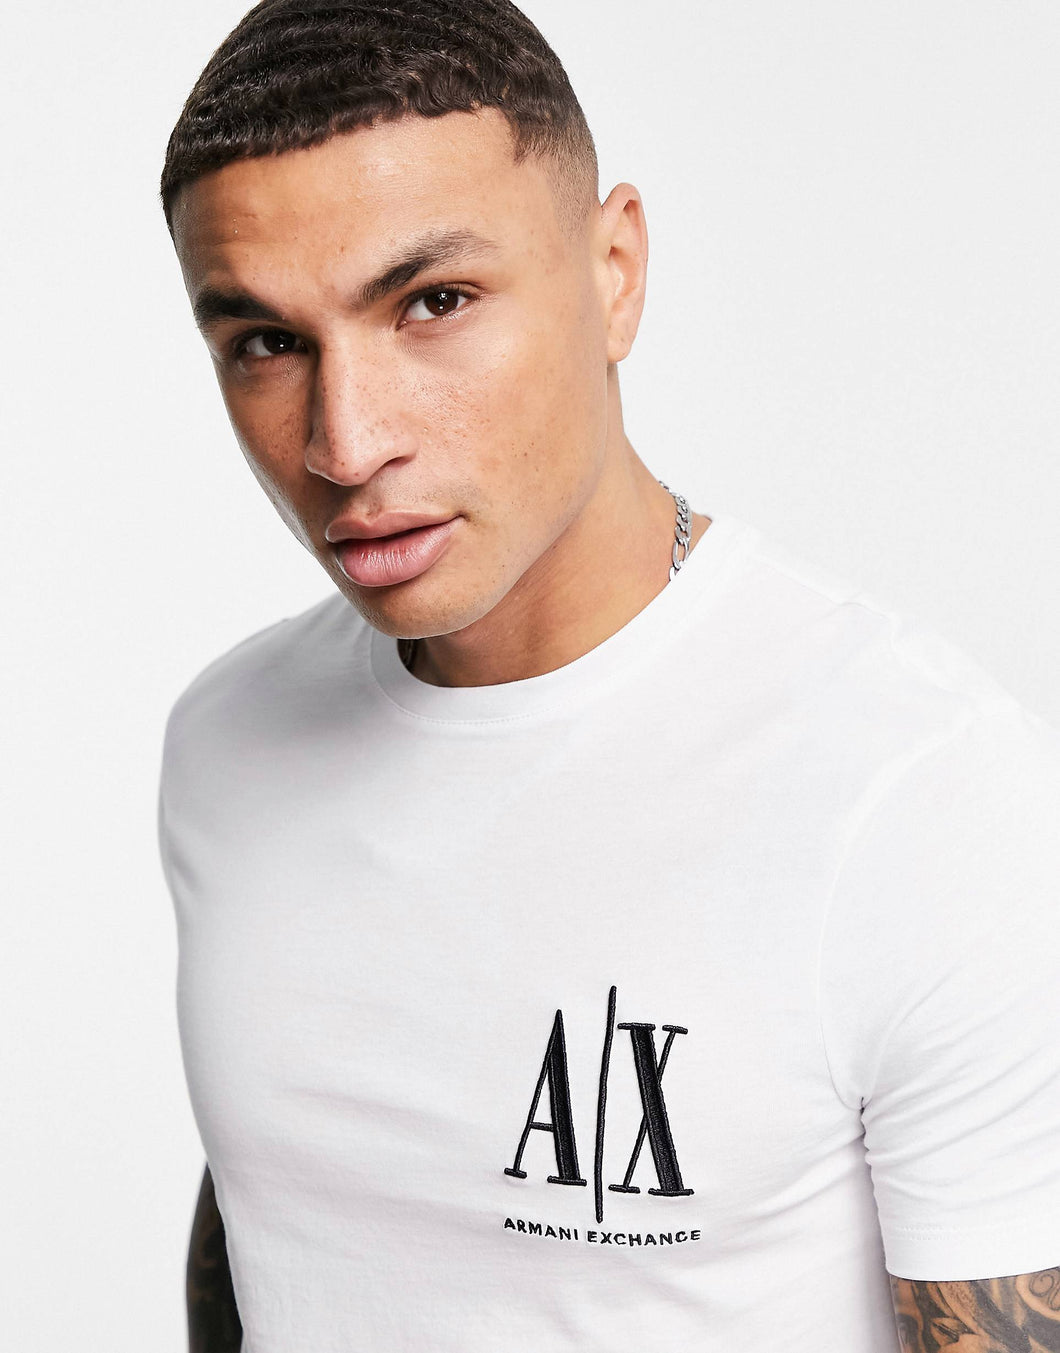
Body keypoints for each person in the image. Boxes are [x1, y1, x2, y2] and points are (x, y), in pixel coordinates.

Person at [156, 1, 1060, 1348]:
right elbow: (283, 1213)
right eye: (267, 342)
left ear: (616, 271)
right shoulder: (228, 740)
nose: (347, 442)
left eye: (433, 303)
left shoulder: (924, 798)